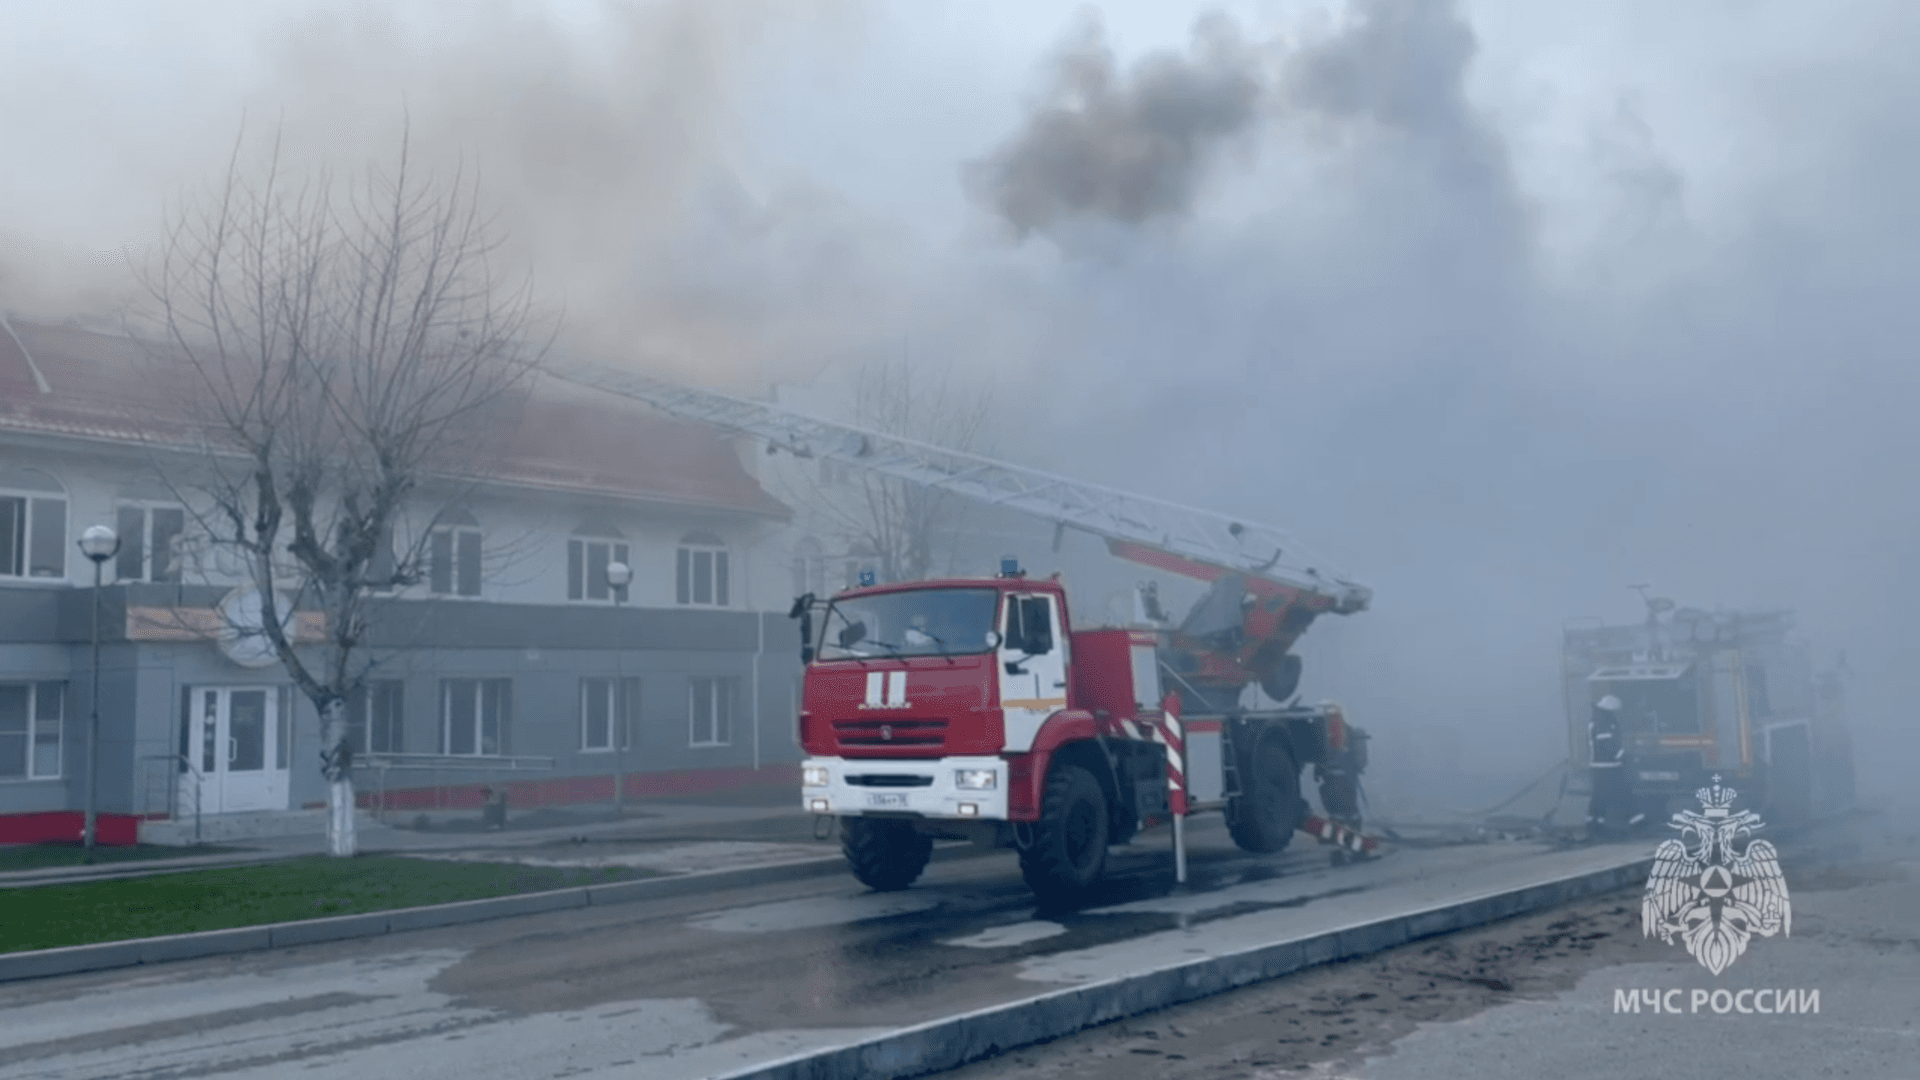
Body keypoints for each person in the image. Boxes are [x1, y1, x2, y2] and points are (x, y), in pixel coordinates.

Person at [1587, 694, 1634, 836]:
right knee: (1620, 794)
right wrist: (1624, 756)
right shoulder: (1604, 723)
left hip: (1600, 767)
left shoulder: (1597, 721)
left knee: (1601, 797)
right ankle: (1633, 824)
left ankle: (1595, 825)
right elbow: (1609, 745)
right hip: (1607, 767)